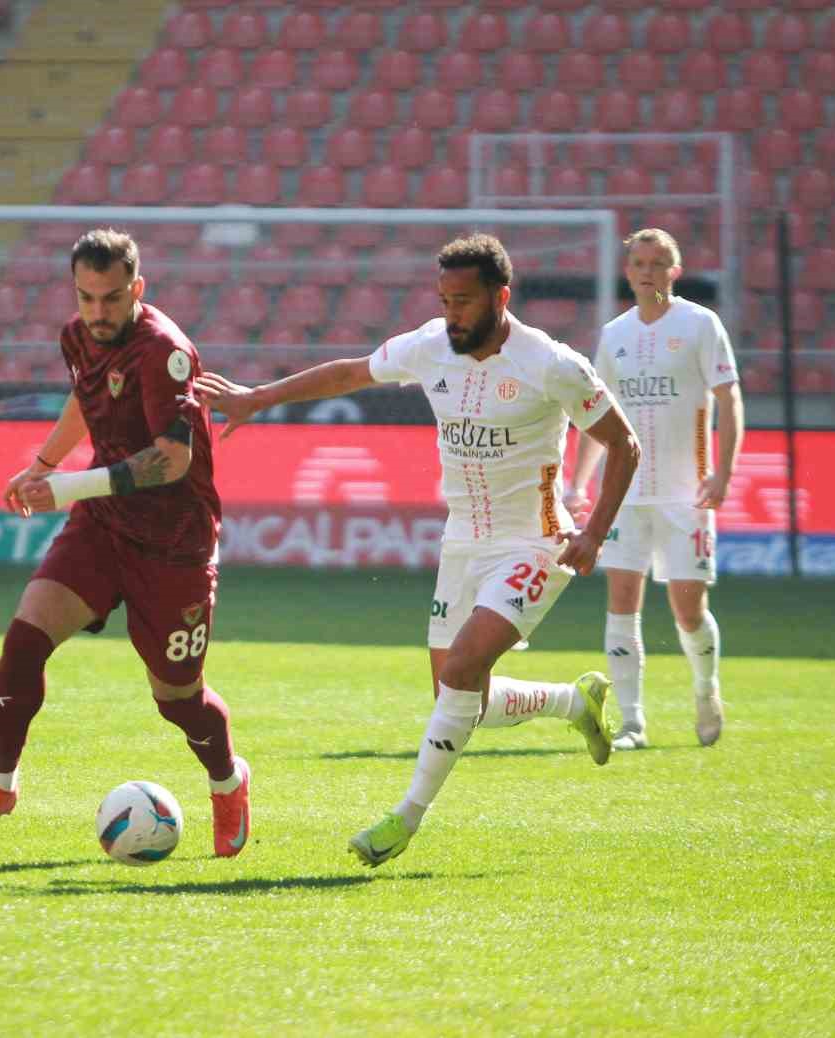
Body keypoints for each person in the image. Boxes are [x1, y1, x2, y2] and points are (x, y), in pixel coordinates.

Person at [196, 233, 641, 868]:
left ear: (501, 298)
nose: (452, 314)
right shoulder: (431, 346)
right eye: (444, 300)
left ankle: (405, 818)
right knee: (462, 700)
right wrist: (258, 397)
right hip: (463, 543)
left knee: (461, 671)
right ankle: (573, 701)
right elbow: (350, 372)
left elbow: (625, 444)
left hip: (536, 543)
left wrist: (593, 532)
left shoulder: (551, 364)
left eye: (464, 302)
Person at [0, 229, 252, 857]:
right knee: (24, 643)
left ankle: (228, 783)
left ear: (137, 289)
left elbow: (173, 460)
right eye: (86, 297)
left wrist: (70, 486)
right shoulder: (77, 337)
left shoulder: (164, 352)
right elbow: (86, 399)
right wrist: (44, 464)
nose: (98, 312)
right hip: (104, 526)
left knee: (177, 700)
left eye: (111, 298)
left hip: (175, 545)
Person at [566, 228, 741, 750]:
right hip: (625, 495)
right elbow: (597, 416)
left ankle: (706, 690)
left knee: (688, 610)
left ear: (675, 271)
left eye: (658, 262)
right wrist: (580, 482)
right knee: (621, 602)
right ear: (628, 272)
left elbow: (729, 398)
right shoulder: (614, 334)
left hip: (687, 494)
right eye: (639, 263)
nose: (648, 272)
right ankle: (633, 723)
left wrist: (723, 472)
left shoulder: (700, 324)